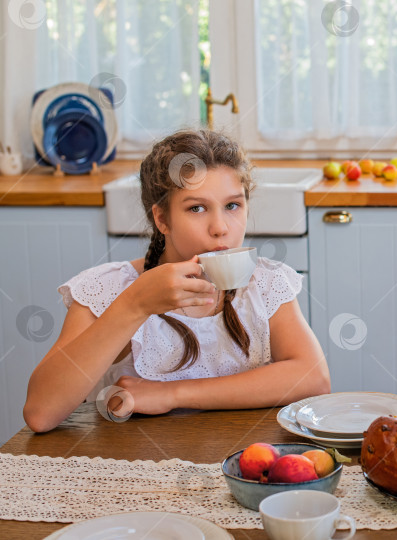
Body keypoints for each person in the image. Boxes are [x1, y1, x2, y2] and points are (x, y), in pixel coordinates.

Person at [24, 130, 330, 432]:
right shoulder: (110, 288)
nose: (220, 228)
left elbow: (313, 378)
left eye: (232, 205)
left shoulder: (264, 282)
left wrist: (173, 394)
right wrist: (135, 304)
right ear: (162, 219)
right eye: (196, 208)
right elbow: (41, 413)